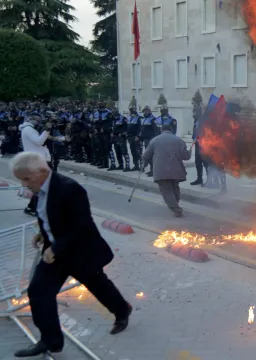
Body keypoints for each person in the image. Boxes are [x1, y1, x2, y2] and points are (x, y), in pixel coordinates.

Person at [10, 152, 132, 358]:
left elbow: (80, 225)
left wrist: (55, 247)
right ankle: (51, 341)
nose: (24, 184)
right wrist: (43, 234)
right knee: (39, 292)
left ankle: (122, 310)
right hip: (55, 254)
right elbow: (48, 215)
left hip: (80, 252)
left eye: (26, 179)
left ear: (41, 171)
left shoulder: (69, 189)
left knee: (99, 286)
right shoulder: (39, 189)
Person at [142, 124, 192, 217]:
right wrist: (190, 151)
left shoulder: (155, 140)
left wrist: (143, 165)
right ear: (172, 130)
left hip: (161, 171)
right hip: (176, 170)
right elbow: (186, 156)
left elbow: (146, 155)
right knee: (175, 188)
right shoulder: (178, 140)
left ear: (162, 130)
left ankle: (176, 209)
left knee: (166, 191)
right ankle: (175, 204)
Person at [18, 113, 51, 217]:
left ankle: (33, 207)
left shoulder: (28, 129)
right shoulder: (28, 129)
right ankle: (32, 207)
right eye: (37, 120)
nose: (38, 122)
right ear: (30, 119)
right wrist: (46, 130)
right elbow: (39, 141)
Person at [139, 106, 157, 177]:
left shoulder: (153, 119)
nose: (145, 112)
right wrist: (140, 138)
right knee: (147, 155)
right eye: (144, 111)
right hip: (145, 139)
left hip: (150, 139)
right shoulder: (144, 119)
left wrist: (153, 140)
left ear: (149, 111)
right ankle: (151, 169)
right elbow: (142, 130)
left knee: (150, 155)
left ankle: (153, 170)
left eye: (147, 111)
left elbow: (154, 130)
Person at [126, 105, 142, 171]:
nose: (132, 111)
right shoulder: (129, 117)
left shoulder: (139, 117)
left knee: (138, 152)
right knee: (133, 152)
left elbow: (140, 128)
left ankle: (141, 166)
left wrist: (138, 136)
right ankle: (136, 165)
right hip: (130, 137)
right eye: (131, 110)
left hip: (136, 137)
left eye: (133, 110)